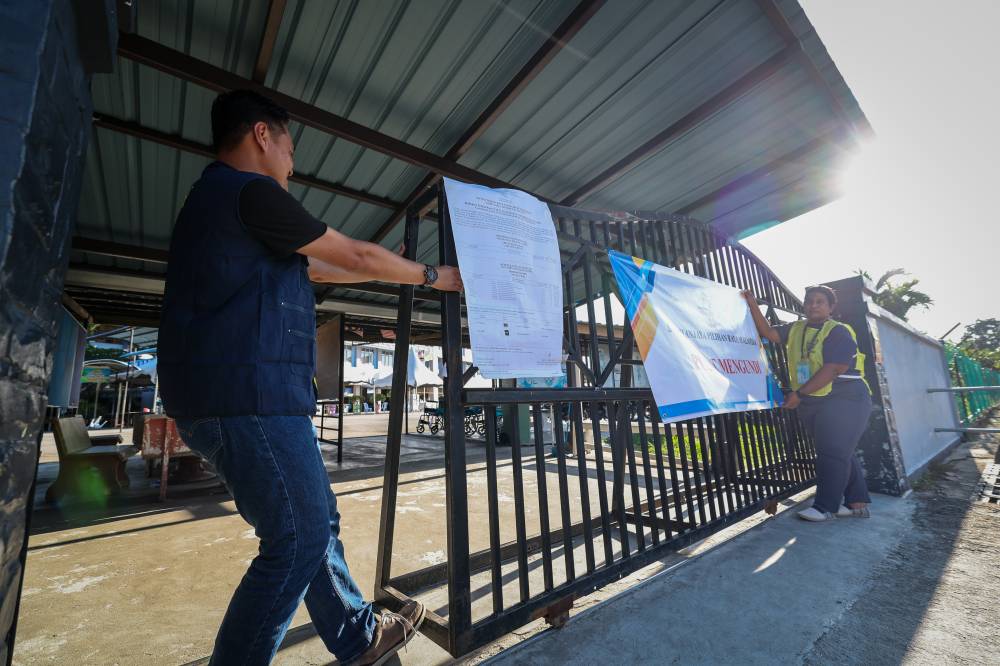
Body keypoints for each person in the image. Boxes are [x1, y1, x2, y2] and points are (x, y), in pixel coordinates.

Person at [158, 90, 463, 666]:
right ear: (262, 135)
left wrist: (383, 266)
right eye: (290, 147)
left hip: (244, 397)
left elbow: (323, 265)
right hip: (245, 397)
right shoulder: (249, 191)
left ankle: (357, 636)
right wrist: (432, 275)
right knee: (296, 540)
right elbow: (349, 255)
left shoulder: (224, 206)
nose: (292, 164)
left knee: (314, 521)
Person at [743, 285, 873, 522]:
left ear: (831, 307)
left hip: (846, 396)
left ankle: (825, 507)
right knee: (838, 449)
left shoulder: (839, 331)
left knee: (832, 451)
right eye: (809, 301)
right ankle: (856, 501)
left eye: (819, 301)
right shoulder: (797, 328)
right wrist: (752, 304)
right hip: (816, 397)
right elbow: (769, 334)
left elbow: (834, 368)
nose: (813, 305)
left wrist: (799, 394)